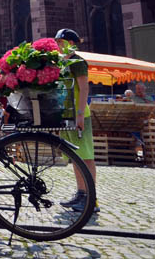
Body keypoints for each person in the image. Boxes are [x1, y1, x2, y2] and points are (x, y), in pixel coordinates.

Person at [55, 28, 99, 214]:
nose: (57, 44)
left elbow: (84, 89)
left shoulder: (78, 62)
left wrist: (80, 114)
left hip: (80, 115)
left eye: (61, 41)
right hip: (67, 114)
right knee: (75, 157)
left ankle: (91, 198)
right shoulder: (60, 62)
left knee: (86, 157)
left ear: (71, 43)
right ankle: (81, 192)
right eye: (57, 41)